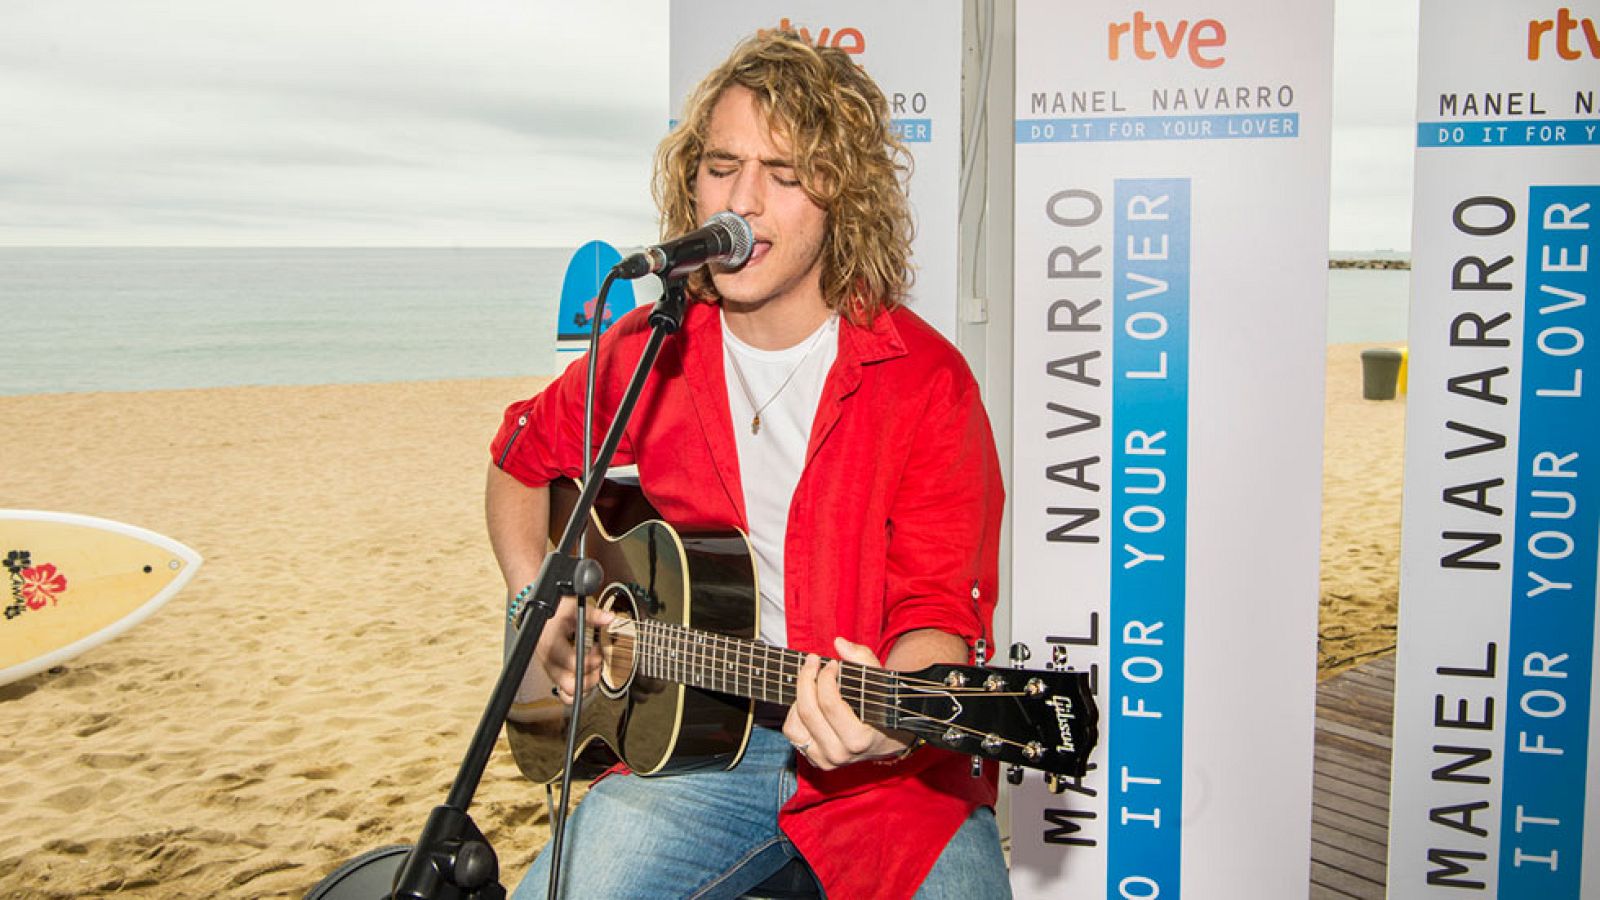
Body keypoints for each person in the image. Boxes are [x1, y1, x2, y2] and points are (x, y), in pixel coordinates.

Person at [486, 30, 1007, 900]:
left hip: (886, 784)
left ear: (843, 197)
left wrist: (896, 720)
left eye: (788, 174)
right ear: (692, 180)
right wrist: (533, 595)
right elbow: (518, 458)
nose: (746, 202)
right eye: (724, 166)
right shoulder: (649, 350)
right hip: (687, 744)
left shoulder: (924, 382)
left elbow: (937, 612)